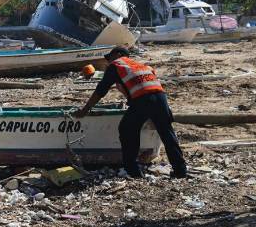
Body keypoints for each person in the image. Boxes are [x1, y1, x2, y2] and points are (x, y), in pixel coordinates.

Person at [74, 46, 187, 179]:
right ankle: (180, 170)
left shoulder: (117, 65)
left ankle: (132, 170)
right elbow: (145, 85)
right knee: (167, 133)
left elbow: (101, 90)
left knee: (127, 129)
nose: (109, 61)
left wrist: (84, 110)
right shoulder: (142, 66)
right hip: (161, 98)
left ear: (119, 54)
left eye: (110, 57)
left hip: (143, 100)